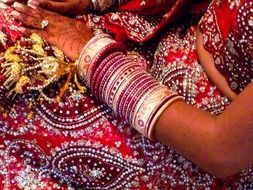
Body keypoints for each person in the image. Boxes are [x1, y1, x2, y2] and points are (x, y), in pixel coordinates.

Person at [0, 0, 252, 189]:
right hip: (166, 29)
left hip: (188, 136)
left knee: (12, 77)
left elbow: (221, 150)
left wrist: (90, 51)